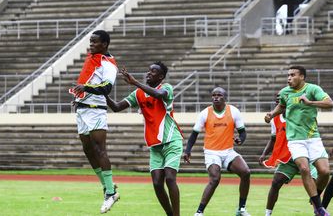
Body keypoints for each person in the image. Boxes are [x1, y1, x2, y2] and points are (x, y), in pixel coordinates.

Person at [104, 61, 182, 216]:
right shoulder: (138, 94)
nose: (148, 73)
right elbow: (117, 107)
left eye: (153, 72)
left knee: (170, 179)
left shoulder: (166, 88)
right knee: (157, 183)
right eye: (148, 70)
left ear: (161, 77)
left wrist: (134, 82)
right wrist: (102, 92)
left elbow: (158, 95)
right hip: (155, 145)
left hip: (172, 141)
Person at [265, 65, 333, 216]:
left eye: (292, 75)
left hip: (313, 137)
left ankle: (314, 197)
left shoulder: (313, 89)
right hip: (295, 140)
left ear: (302, 76)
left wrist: (310, 103)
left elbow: (330, 103)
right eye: (288, 75)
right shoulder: (285, 92)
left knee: (325, 172)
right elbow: (281, 105)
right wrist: (271, 114)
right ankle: (319, 207)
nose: (289, 78)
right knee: (304, 169)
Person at [69, 30, 119, 214]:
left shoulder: (108, 64)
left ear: (104, 44)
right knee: (87, 149)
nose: (91, 45)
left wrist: (86, 88)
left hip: (96, 110)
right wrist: (79, 96)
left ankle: (110, 193)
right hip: (83, 108)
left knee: (100, 149)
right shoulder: (93, 59)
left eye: (95, 42)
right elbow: (88, 80)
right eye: (90, 41)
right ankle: (107, 187)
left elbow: (107, 87)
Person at [183, 87, 251, 216]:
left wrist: (240, 140)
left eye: (219, 95)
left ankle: (241, 209)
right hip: (211, 152)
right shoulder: (205, 113)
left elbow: (242, 132)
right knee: (215, 179)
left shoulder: (234, 111)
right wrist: (187, 150)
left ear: (225, 98)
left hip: (228, 151)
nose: (216, 97)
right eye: (213, 95)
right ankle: (199, 212)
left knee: (246, 172)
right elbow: (194, 134)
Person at [259, 93, 318, 216]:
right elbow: (273, 139)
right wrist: (264, 154)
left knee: (314, 184)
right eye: (276, 101)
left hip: (305, 156)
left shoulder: (302, 114)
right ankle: (267, 214)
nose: (277, 103)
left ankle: (317, 211)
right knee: (276, 182)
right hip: (288, 158)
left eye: (279, 100)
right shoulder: (274, 119)